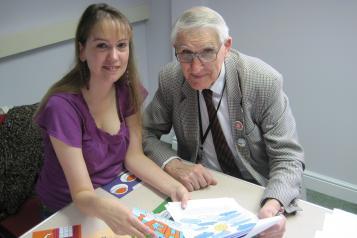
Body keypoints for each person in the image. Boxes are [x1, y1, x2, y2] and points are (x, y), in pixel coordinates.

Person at [143, 6, 305, 238]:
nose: (195, 68)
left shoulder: (262, 81)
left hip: (259, 189)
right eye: (186, 53)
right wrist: (173, 163)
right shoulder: (171, 78)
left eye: (207, 52)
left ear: (226, 47)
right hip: (204, 188)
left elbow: (288, 157)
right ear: (175, 50)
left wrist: (272, 204)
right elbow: (144, 133)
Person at [33, 3, 189, 238]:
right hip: (68, 210)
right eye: (102, 46)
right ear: (82, 50)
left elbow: (134, 156)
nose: (114, 56)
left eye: (121, 45)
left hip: (117, 192)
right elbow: (83, 193)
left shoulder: (129, 90)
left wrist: (174, 187)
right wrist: (110, 210)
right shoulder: (62, 108)